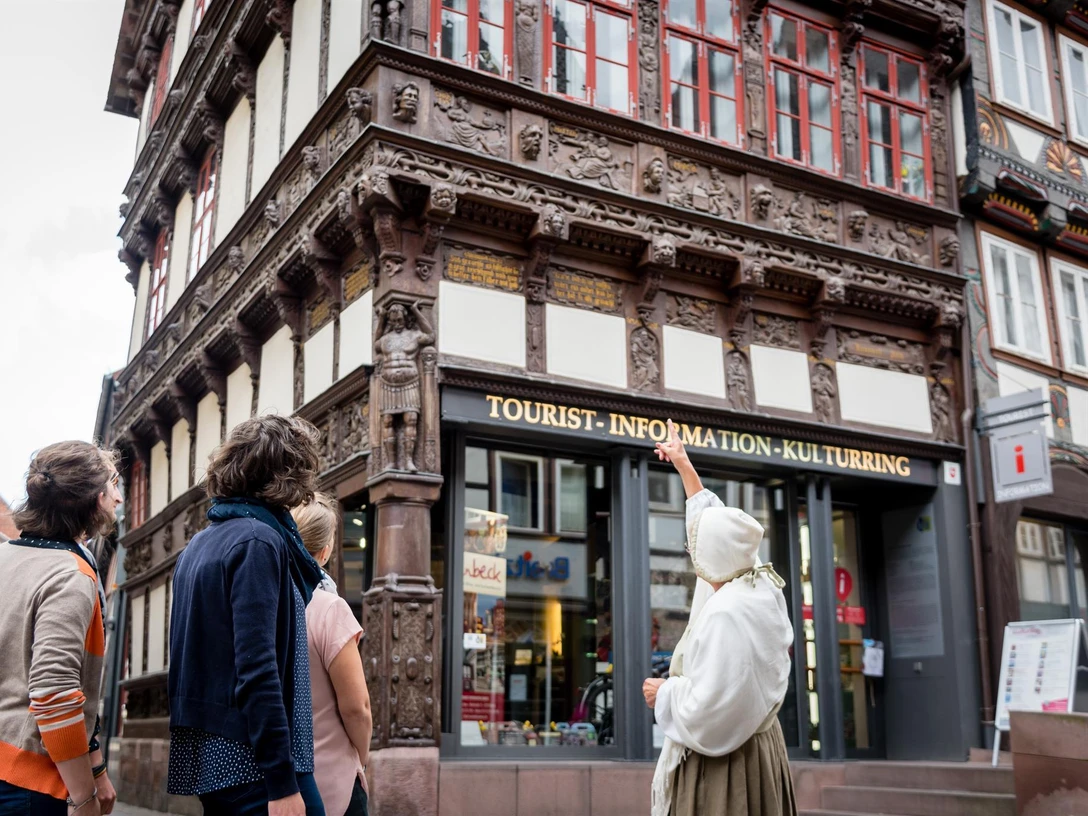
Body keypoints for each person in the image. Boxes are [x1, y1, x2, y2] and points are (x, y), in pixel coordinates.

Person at [167, 415, 327, 816]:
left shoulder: (201, 544)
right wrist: (281, 781)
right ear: (288, 473)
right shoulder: (258, 540)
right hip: (253, 761)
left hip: (217, 757)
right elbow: (256, 666)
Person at [643, 421, 796, 816]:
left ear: (710, 556)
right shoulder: (751, 578)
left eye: (695, 549)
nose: (691, 553)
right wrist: (683, 465)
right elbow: (715, 524)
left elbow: (712, 709)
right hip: (761, 748)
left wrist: (664, 694)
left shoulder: (728, 613)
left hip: (729, 763)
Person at [0, 441, 122, 816]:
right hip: (30, 781)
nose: (119, 498)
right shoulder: (70, 576)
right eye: (115, 485)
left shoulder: (6, 556)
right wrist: (84, 797)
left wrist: (98, 767)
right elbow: (55, 695)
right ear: (96, 498)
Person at [291, 494, 372, 816]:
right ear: (324, 552)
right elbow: (357, 707)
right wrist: (362, 758)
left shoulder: (266, 600)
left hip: (275, 778)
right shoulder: (329, 608)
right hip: (332, 779)